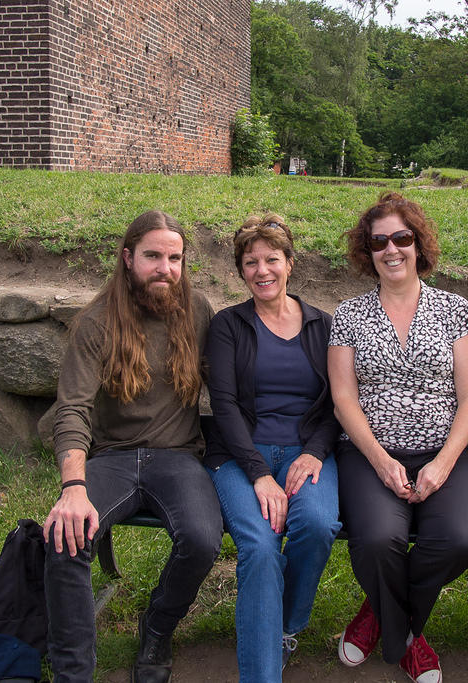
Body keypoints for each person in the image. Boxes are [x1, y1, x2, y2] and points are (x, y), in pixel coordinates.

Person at [42, 210, 222, 683]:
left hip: (178, 457)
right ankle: (73, 671)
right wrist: (73, 487)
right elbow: (73, 409)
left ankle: (158, 627)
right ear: (127, 258)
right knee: (65, 540)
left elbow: (233, 383)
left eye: (175, 257)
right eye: (153, 256)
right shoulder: (96, 322)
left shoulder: (198, 311)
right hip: (113, 457)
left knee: (203, 540)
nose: (165, 268)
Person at [329, 192, 468, 683]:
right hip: (369, 452)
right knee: (379, 539)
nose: (391, 249)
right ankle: (410, 641)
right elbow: (344, 400)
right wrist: (379, 460)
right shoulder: (349, 315)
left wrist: (443, 463)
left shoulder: (455, 310)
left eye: (402, 238)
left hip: (452, 452)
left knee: (459, 539)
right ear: (367, 250)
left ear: (418, 244)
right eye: (379, 241)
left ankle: (380, 618)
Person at [203, 215, 341, 681]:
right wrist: (260, 472)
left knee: (318, 524)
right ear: (241, 271)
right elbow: (222, 405)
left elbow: (339, 403)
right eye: (250, 263)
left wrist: (316, 452)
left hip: (307, 451)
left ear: (290, 263)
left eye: (272, 260)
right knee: (261, 547)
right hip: (241, 456)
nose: (262, 271)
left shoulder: (324, 325)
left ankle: (281, 625)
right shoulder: (228, 325)